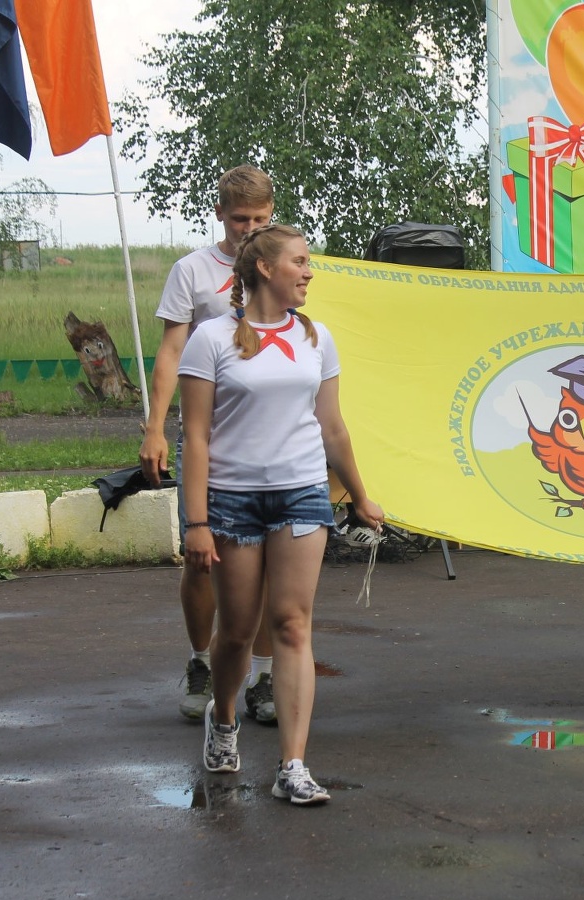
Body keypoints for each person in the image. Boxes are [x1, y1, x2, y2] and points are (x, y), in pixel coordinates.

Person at [178, 224, 383, 804]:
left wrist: (361, 495)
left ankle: (292, 765)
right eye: (300, 261)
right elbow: (195, 437)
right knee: (239, 631)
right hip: (233, 499)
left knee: (291, 625)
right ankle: (223, 719)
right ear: (265, 268)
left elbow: (332, 426)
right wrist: (196, 521)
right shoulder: (211, 339)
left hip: (301, 491)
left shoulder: (318, 338)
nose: (309, 271)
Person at [140, 165, 279, 724]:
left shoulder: (285, 263)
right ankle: (202, 662)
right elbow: (171, 353)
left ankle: (264, 678)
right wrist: (154, 427)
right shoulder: (193, 271)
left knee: (269, 564)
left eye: (260, 219)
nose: (249, 229)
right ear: (219, 213)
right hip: (206, 435)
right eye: (240, 218)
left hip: (269, 435)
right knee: (203, 561)